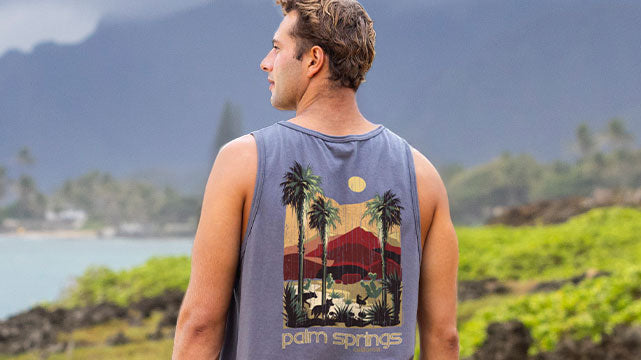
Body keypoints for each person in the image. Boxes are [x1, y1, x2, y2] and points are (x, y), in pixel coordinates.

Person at [169, 0, 458, 358]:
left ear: (313, 60)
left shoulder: (243, 162)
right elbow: (444, 337)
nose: (266, 62)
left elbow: (200, 323)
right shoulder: (422, 175)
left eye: (277, 48)